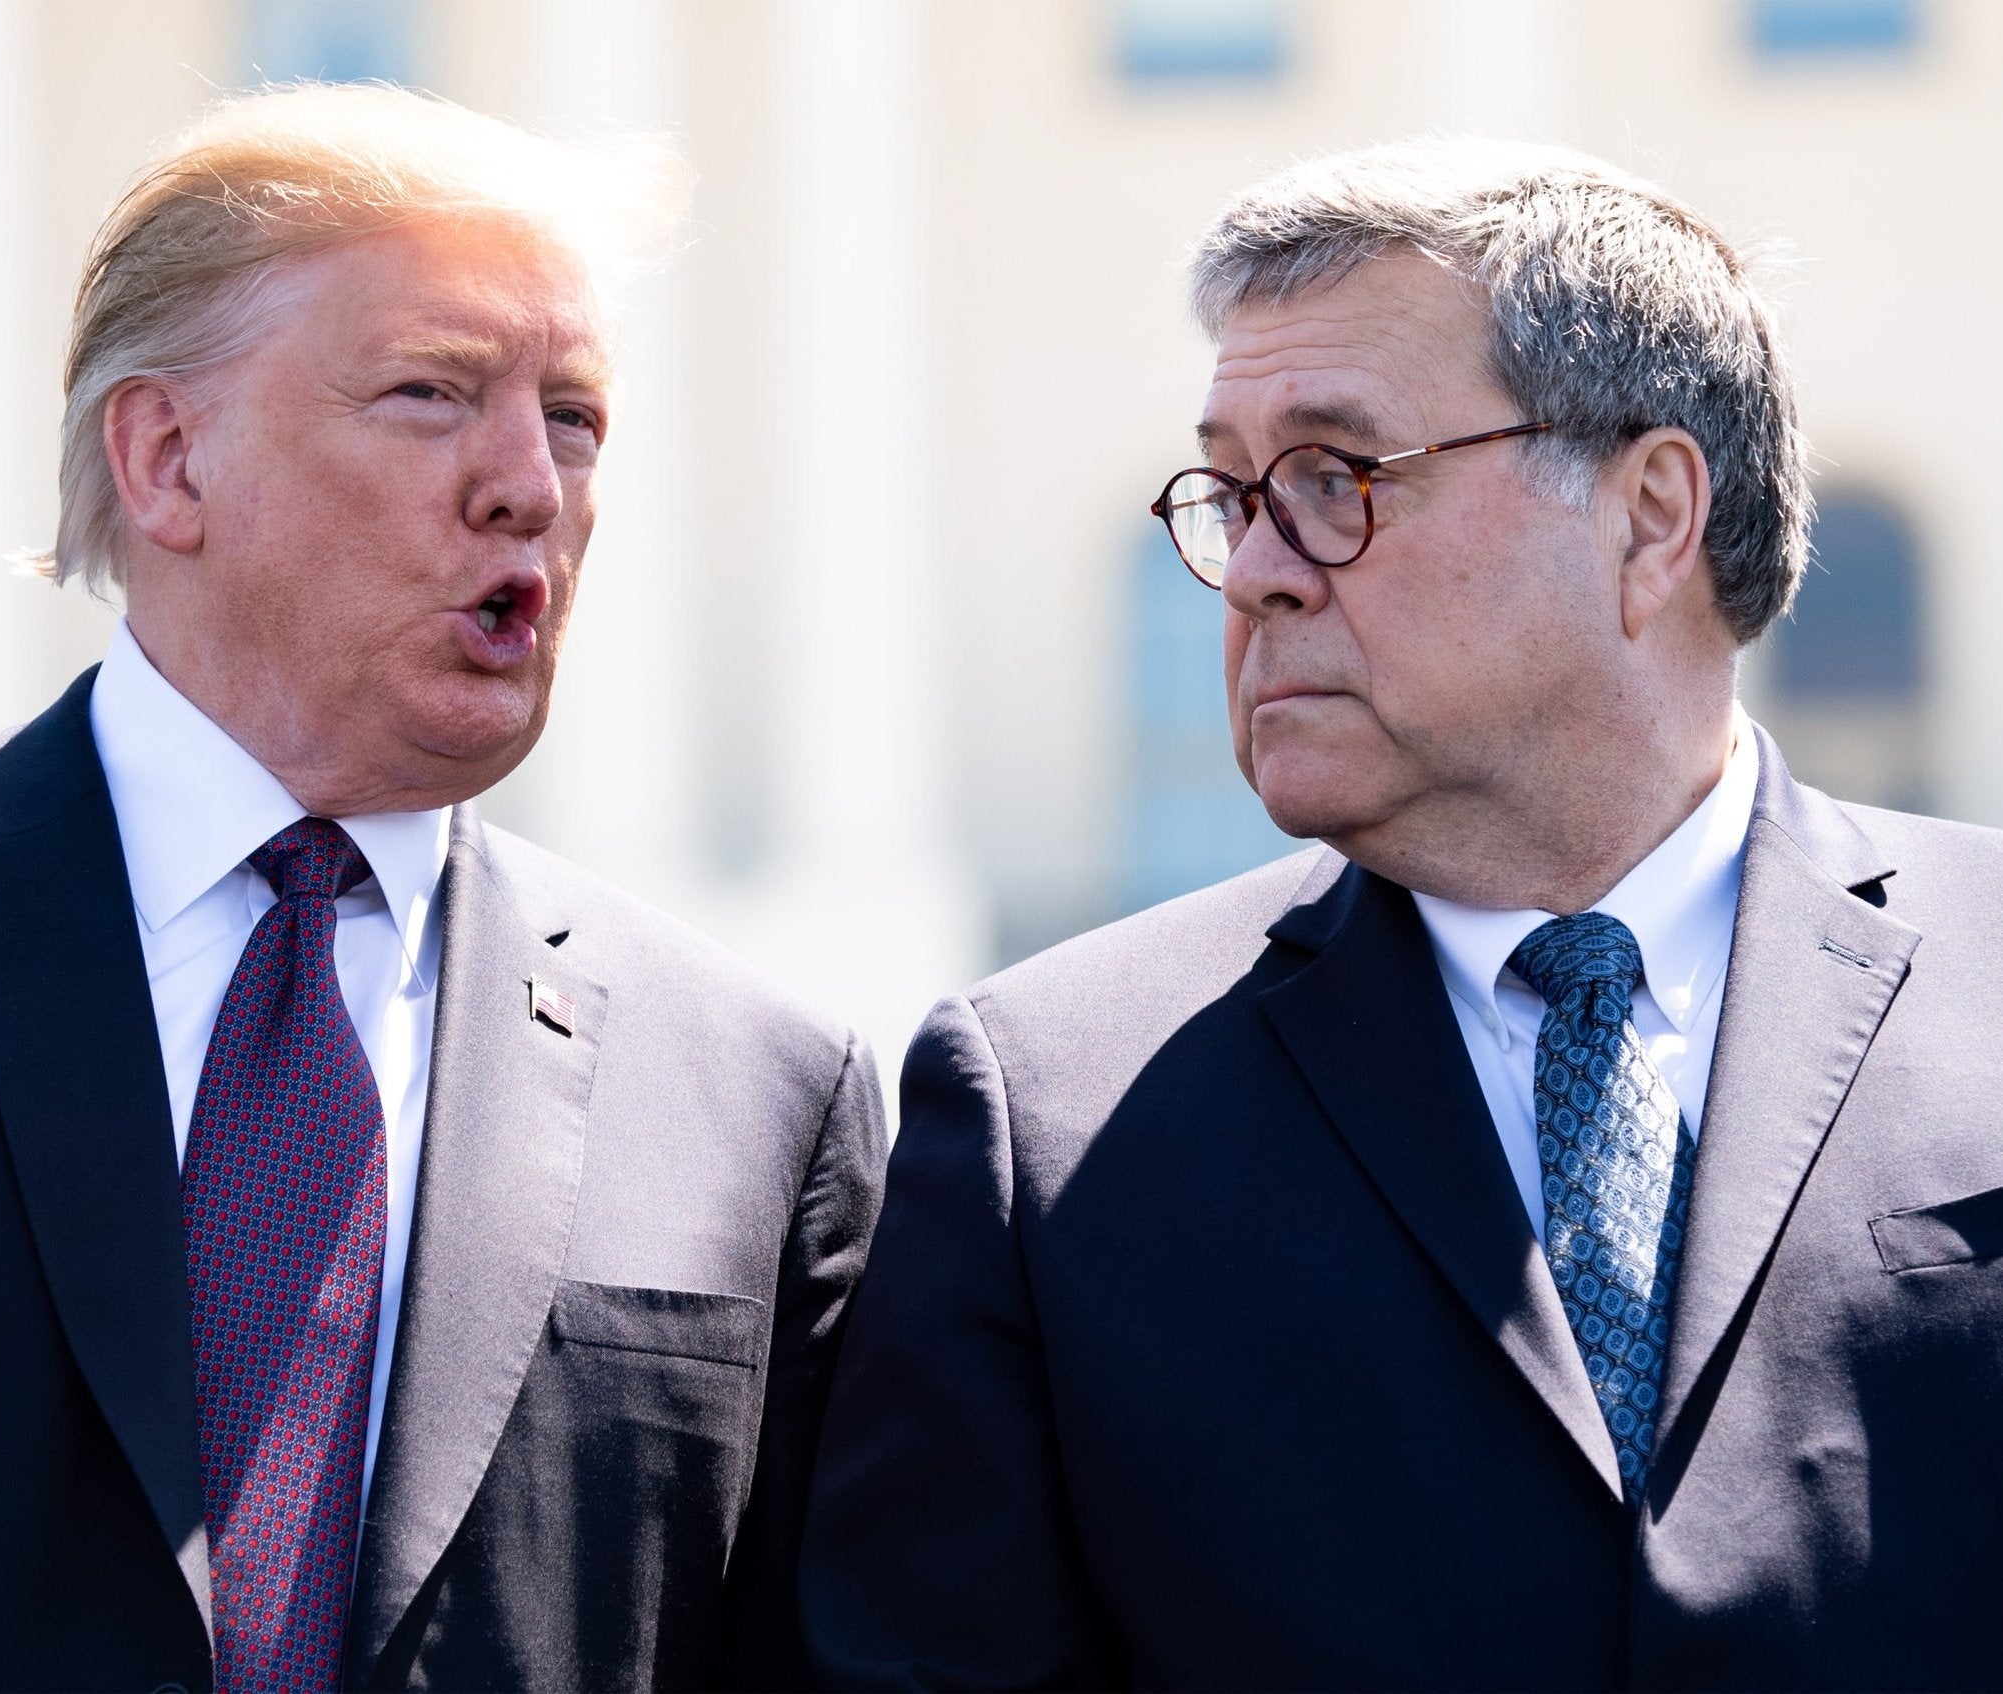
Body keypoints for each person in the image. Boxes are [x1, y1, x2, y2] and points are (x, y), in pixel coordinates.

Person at [801, 138, 2003, 1690]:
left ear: (1647, 517)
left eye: (1331, 477)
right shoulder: (1045, 1113)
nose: (1251, 576)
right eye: (1229, 495)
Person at [0, 83, 884, 1693]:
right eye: (432, 392)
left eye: (572, 415)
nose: (530, 488)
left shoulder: (759, 1091)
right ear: (167, 458)